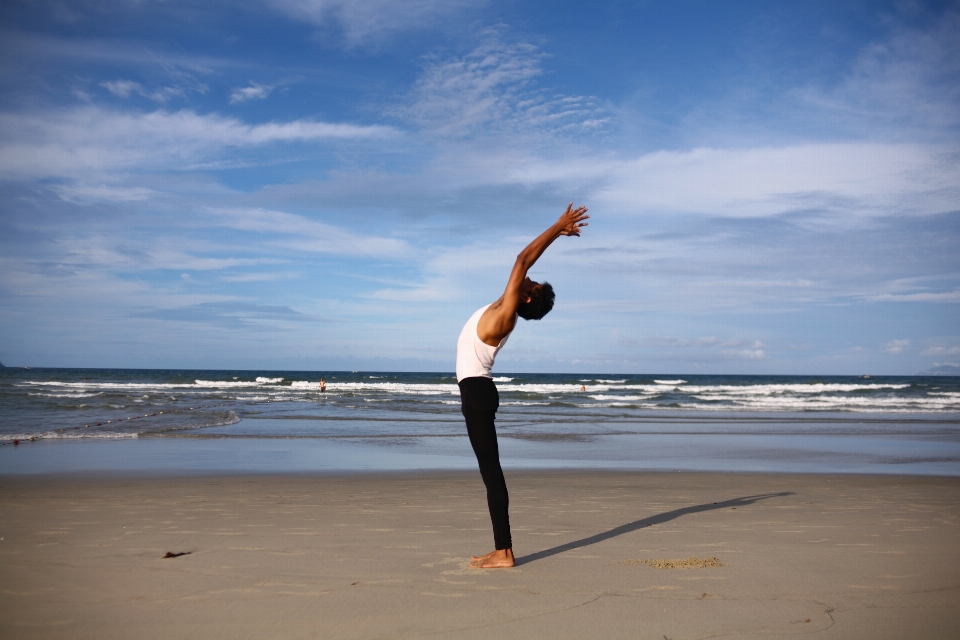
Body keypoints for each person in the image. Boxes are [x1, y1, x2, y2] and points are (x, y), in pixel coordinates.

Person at [456, 202, 589, 569]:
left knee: (491, 473)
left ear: (526, 297)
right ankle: (501, 549)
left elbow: (521, 259)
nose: (527, 277)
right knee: (490, 471)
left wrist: (557, 227)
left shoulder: (506, 312)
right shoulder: (504, 305)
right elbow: (521, 266)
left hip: (478, 394)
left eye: (531, 283)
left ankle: (505, 552)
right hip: (477, 393)